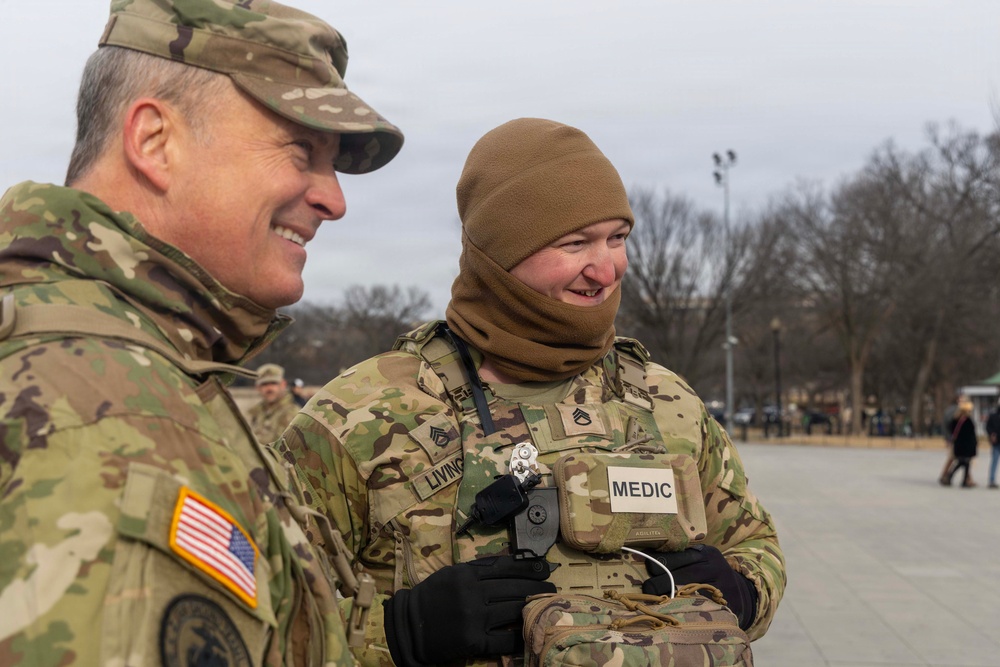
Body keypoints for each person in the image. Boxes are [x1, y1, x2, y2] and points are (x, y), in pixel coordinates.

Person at [280, 118, 786, 666]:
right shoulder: (362, 415)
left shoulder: (667, 403)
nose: (606, 268)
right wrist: (398, 634)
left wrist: (742, 591)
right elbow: (261, 617)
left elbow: (755, 546)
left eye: (618, 238)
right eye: (575, 243)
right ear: (498, 256)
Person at [0, 1, 403, 665]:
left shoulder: (148, 368)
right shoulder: (111, 415)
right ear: (155, 142)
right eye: (301, 151)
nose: (335, 199)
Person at [248, 363, 302, 443]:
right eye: (264, 384)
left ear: (283, 384)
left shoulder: (293, 413)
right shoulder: (254, 413)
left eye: (273, 383)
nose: (269, 388)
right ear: (258, 388)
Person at [944, 399, 978, 487]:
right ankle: (950, 476)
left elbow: (952, 431)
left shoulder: (955, 420)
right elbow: (970, 435)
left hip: (959, 445)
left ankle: (964, 480)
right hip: (966, 446)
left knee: (965, 463)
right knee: (963, 462)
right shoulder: (967, 421)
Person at [985, 398, 1000, 489]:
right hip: (996, 442)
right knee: (994, 461)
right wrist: (991, 434)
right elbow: (987, 427)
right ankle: (991, 480)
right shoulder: (993, 416)